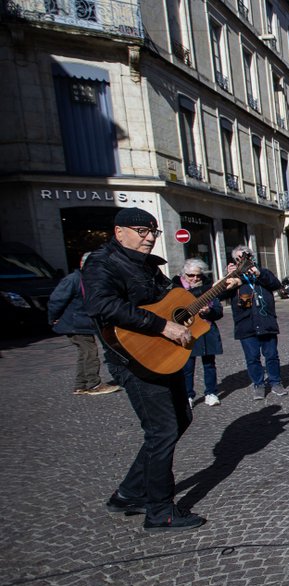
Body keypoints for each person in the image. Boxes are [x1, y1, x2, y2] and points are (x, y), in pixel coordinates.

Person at [83, 207, 205, 531]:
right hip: (132, 358)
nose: (150, 237)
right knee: (162, 430)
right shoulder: (101, 263)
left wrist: (198, 301)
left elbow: (169, 299)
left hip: (162, 356)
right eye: (142, 230)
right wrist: (162, 327)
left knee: (180, 419)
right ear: (119, 231)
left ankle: (129, 493)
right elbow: (102, 305)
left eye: (153, 231)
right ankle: (160, 512)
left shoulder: (149, 266)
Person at [47, 252, 120, 396]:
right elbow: (56, 300)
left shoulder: (89, 279)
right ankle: (94, 384)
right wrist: (53, 318)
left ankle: (81, 385)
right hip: (75, 324)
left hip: (83, 323)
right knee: (89, 352)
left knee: (84, 353)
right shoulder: (73, 279)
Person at [225, 245, 285, 400]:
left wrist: (258, 274)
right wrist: (227, 277)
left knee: (271, 355)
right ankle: (258, 384)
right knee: (252, 357)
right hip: (245, 324)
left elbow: (276, 285)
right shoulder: (233, 277)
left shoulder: (262, 273)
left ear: (252, 258)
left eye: (246, 257)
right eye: (239, 259)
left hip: (266, 321)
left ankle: (276, 382)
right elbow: (221, 294)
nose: (243, 261)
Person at [172, 258, 224, 407]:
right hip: (187, 331)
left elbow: (218, 311)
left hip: (206, 330)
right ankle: (188, 395)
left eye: (198, 276)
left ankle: (211, 393)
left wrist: (209, 311)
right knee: (187, 367)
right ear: (183, 274)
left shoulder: (209, 289)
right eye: (191, 275)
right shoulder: (176, 289)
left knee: (209, 364)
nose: (195, 279)